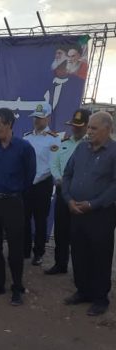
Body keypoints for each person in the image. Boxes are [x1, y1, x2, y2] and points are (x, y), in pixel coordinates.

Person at [62, 112, 116, 316]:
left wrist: (93, 204)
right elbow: (67, 174)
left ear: (107, 129)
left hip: (100, 214)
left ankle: (100, 298)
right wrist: (68, 199)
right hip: (75, 210)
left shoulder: (113, 152)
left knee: (100, 256)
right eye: (89, 127)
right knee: (79, 252)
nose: (89, 131)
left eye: (94, 128)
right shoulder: (80, 148)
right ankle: (82, 291)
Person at [0, 108, 36, 306]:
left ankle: (17, 287)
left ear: (9, 125)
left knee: (15, 248)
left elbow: (30, 176)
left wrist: (16, 192)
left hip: (14, 202)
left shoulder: (24, 148)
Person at [46, 109, 89, 275]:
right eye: (74, 126)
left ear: (86, 126)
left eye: (79, 126)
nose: (76, 129)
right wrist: (58, 178)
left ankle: (80, 270)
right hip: (63, 192)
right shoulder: (63, 144)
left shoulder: (89, 146)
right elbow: (54, 164)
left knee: (79, 234)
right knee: (61, 231)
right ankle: (60, 264)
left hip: (81, 195)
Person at [23, 103, 60, 266]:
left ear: (48, 118)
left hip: (42, 185)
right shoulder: (27, 137)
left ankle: (38, 253)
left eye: (40, 117)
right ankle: (24, 249)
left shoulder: (53, 139)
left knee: (40, 220)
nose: (36, 120)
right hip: (26, 184)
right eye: (35, 117)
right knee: (24, 218)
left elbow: (52, 166)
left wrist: (35, 179)